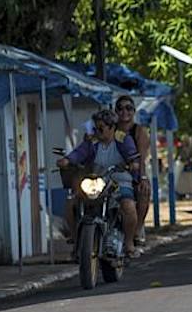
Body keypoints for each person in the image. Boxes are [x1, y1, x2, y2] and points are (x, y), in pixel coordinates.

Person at [57, 110, 143, 258]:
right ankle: (78, 243)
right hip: (95, 180)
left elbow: (132, 155)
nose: (97, 131)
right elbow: (79, 153)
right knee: (71, 203)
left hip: (119, 180)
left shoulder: (123, 139)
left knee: (128, 206)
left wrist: (133, 164)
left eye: (101, 128)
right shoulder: (92, 142)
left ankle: (129, 243)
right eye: (96, 128)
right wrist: (67, 160)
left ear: (112, 128)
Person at [114, 95, 152, 249]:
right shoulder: (110, 128)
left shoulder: (139, 131)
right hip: (111, 172)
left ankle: (138, 228)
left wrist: (142, 177)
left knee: (143, 191)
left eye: (128, 108)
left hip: (133, 172)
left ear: (134, 111)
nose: (125, 112)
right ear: (115, 111)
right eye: (120, 108)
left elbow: (141, 156)